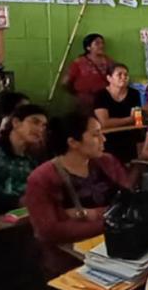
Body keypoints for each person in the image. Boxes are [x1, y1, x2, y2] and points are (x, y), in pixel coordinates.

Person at [25, 112, 131, 278]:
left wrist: (90, 214)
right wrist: (111, 220)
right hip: (71, 260)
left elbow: (130, 204)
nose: (104, 139)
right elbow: (48, 231)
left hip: (119, 248)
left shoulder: (107, 162)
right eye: (96, 135)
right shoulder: (42, 179)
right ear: (73, 142)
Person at [94, 63, 143, 164]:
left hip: (130, 133)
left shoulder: (134, 94)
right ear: (109, 78)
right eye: (119, 75)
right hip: (108, 137)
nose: (123, 77)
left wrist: (134, 119)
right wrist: (129, 119)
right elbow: (104, 123)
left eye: (126, 75)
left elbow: (137, 118)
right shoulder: (101, 95)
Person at [64, 33, 114, 111]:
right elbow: (65, 82)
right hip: (85, 101)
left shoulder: (108, 61)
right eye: (97, 43)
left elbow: (115, 76)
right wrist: (79, 94)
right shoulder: (79, 62)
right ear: (88, 47)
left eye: (102, 43)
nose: (101, 46)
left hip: (103, 100)